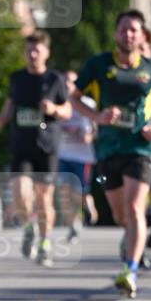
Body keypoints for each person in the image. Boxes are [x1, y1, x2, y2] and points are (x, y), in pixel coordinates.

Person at [72, 10, 151, 297]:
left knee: (134, 208)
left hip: (140, 148)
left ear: (142, 36)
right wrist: (96, 116)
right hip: (107, 148)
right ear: (115, 34)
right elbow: (73, 96)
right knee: (121, 214)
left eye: (134, 30)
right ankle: (130, 238)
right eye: (124, 29)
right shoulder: (98, 65)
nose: (128, 34)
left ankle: (129, 270)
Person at [0, 30, 71, 267]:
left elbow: (67, 110)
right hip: (21, 144)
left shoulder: (55, 80)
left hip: (46, 145)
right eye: (29, 50)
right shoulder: (16, 78)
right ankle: (29, 227)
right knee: (20, 194)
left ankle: (45, 243)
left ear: (47, 53)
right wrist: (2, 118)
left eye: (37, 50)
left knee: (44, 198)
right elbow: (9, 103)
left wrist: (54, 110)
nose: (32, 54)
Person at [57, 71, 96, 243]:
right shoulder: (59, 104)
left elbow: (96, 127)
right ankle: (72, 226)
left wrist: (90, 136)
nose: (68, 85)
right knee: (65, 193)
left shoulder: (88, 103)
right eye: (65, 82)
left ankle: (88, 203)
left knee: (78, 193)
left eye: (72, 82)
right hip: (63, 154)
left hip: (83, 157)